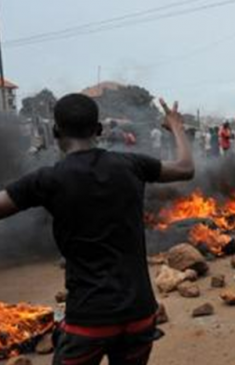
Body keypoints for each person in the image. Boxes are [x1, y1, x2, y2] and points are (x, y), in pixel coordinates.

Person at [0, 94, 194, 365]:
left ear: (55, 131)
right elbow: (186, 168)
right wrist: (176, 126)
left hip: (89, 321)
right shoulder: (132, 165)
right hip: (139, 315)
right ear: (99, 130)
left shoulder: (47, 179)